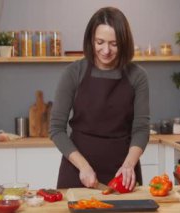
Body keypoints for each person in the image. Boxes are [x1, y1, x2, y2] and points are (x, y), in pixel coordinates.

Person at [50, 7, 150, 190]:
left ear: (125, 43)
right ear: (91, 40)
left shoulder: (137, 76)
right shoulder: (73, 73)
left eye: (114, 44)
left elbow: (141, 129)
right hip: (77, 171)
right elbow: (56, 129)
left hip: (123, 172)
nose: (106, 50)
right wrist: (83, 166)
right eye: (100, 42)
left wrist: (129, 165)